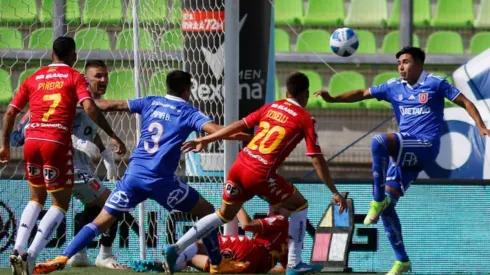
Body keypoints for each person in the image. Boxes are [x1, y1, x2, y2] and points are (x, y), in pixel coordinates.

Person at [34, 70, 251, 274]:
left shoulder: (150, 101)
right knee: (207, 211)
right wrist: (250, 138)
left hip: (133, 176)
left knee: (100, 221)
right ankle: (216, 263)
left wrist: (78, 103)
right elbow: (221, 132)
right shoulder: (188, 112)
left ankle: (62, 257)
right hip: (161, 181)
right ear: (187, 91)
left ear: (168, 87)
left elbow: (111, 105)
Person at [314, 46, 490, 275]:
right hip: (405, 153)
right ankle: (402, 260)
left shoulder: (435, 83)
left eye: (406, 62)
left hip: (425, 146)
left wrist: (481, 125)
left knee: (379, 141)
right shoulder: (393, 86)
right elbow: (362, 93)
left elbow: (465, 101)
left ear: (419, 65)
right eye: (399, 63)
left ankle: (375, 200)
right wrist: (333, 99)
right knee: (389, 208)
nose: (400, 67)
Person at [171, 71, 348, 275]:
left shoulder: (271, 107)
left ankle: (176, 248)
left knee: (223, 215)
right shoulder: (305, 118)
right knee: (300, 205)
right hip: (260, 173)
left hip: (239, 166)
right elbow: (316, 158)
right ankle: (294, 263)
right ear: (305, 94)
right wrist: (333, 191)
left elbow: (238, 125)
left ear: (287, 92)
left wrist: (206, 139)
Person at [0, 37, 126, 275]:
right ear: (74, 57)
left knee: (36, 199)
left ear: (51, 54)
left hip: (33, 144)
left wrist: (5, 144)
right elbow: (89, 108)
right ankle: (32, 256)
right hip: (57, 145)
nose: (103, 80)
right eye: (97, 76)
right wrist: (112, 136)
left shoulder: (33, 78)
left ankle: (18, 249)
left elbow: (10, 113)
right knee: (68, 204)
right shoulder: (74, 79)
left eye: (104, 76)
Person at [174, 207, 289, 274]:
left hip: (247, 247)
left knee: (199, 243)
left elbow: (246, 225)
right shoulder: (288, 239)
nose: (268, 212)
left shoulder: (280, 220)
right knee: (191, 259)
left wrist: (236, 203)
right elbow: (285, 269)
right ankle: (173, 263)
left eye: (272, 208)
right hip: (249, 267)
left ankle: (172, 256)